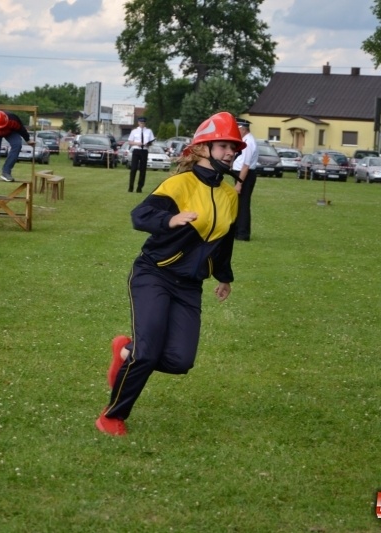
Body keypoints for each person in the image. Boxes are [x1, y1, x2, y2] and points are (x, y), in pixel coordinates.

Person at [95, 111, 245, 437]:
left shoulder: (228, 195)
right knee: (147, 353)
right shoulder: (179, 184)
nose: (230, 153)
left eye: (234, 147)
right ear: (202, 148)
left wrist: (224, 276)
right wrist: (170, 220)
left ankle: (126, 352)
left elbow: (225, 240)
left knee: (180, 361)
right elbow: (140, 215)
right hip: (154, 274)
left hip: (189, 286)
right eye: (223, 146)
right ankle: (111, 416)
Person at [231, 118, 258, 241]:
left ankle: (243, 233)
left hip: (245, 175)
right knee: (239, 204)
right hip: (241, 174)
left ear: (243, 129)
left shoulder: (249, 142)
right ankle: (237, 231)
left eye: (238, 129)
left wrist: (239, 183)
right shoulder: (245, 140)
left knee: (243, 205)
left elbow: (246, 165)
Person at [126, 116, 156, 193]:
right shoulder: (134, 131)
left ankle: (139, 188)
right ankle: (131, 187)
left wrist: (147, 144)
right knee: (133, 168)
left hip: (144, 151)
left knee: (143, 169)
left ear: (145, 123)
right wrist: (137, 143)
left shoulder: (149, 131)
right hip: (136, 150)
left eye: (143, 123)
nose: (142, 124)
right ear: (138, 123)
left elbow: (151, 142)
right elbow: (130, 142)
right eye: (141, 123)